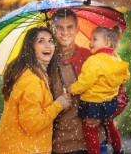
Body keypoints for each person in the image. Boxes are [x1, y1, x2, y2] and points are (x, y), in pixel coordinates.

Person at [0, 27, 72, 153]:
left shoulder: (33, 74)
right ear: (31, 48)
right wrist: (59, 104)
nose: (48, 45)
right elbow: (32, 123)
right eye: (41, 41)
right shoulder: (32, 81)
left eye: (51, 41)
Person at [49, 8, 108, 154]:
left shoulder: (92, 57)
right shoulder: (46, 61)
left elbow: (117, 94)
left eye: (69, 27)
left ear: (77, 29)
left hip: (94, 141)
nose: (65, 32)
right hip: (60, 145)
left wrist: (102, 114)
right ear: (52, 29)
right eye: (59, 27)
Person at [69, 26, 130, 154]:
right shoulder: (116, 58)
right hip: (110, 102)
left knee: (90, 131)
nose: (91, 42)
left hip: (93, 103)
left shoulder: (94, 60)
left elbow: (85, 81)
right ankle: (118, 149)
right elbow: (126, 76)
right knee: (110, 125)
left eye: (95, 39)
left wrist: (73, 89)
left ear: (107, 43)